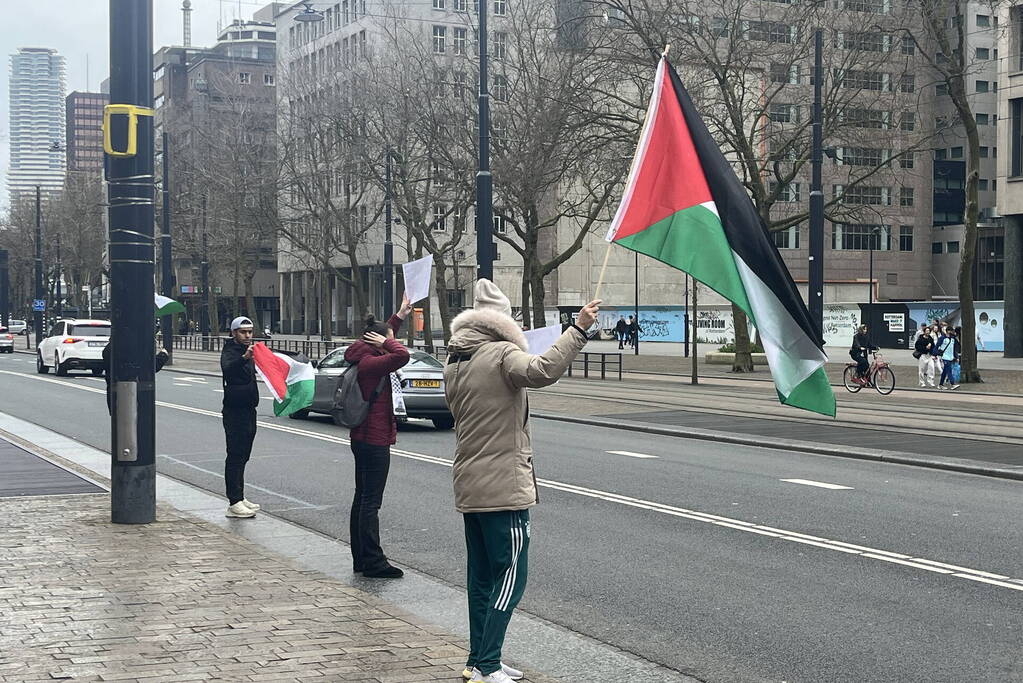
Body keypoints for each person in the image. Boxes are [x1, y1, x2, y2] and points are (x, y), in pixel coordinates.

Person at [444, 279, 600, 683]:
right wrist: (578, 329)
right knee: (512, 576)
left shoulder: (455, 360)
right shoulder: (500, 354)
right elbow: (542, 371)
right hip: (503, 486)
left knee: (481, 579)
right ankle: (489, 664)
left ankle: (479, 660)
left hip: (470, 483)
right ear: (501, 321)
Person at [342, 296, 412, 579]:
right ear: (377, 343)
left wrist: (398, 316)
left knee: (362, 498)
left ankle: (361, 557)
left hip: (363, 437)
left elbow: (386, 337)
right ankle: (372, 560)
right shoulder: (372, 364)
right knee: (371, 501)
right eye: (388, 339)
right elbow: (401, 355)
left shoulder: (364, 355)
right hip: (374, 438)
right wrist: (387, 341)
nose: (392, 340)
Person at [221, 316, 260, 518]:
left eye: (250, 332)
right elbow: (228, 370)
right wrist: (244, 358)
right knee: (235, 455)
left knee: (244, 455)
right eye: (243, 332)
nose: (247, 335)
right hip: (235, 411)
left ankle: (240, 496)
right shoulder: (230, 351)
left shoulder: (250, 351)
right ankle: (233, 502)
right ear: (233, 333)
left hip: (248, 409)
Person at [102, 338, 170, 415]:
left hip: (115, 393)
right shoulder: (133, 347)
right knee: (138, 422)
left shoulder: (110, 348)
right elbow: (147, 368)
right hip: (134, 394)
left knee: (119, 422)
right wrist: (162, 356)